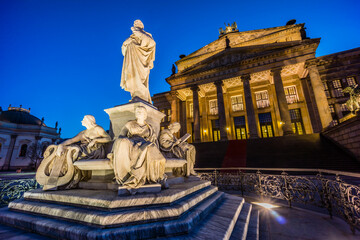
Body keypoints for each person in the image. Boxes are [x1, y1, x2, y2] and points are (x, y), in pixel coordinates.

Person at [36, 115, 111, 190]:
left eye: (83, 119)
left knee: (72, 151)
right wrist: (61, 145)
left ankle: (66, 178)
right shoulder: (83, 132)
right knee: (65, 150)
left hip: (94, 150)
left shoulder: (97, 129)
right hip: (83, 149)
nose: (82, 121)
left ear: (89, 121)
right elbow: (71, 140)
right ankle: (57, 177)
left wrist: (95, 140)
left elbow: (108, 138)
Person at [111, 106, 166, 191]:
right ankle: (129, 175)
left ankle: (155, 177)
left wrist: (149, 144)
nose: (139, 113)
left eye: (141, 111)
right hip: (132, 143)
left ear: (145, 115)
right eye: (137, 111)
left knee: (150, 149)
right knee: (123, 142)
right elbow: (121, 136)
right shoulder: (130, 124)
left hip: (145, 143)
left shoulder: (149, 127)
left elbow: (153, 139)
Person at [120, 20, 155, 104]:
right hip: (131, 61)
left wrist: (139, 33)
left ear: (142, 26)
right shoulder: (130, 37)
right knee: (131, 78)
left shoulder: (146, 35)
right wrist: (125, 43)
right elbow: (123, 51)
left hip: (141, 61)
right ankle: (134, 95)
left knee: (139, 78)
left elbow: (151, 44)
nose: (136, 25)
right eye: (135, 24)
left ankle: (141, 96)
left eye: (138, 24)